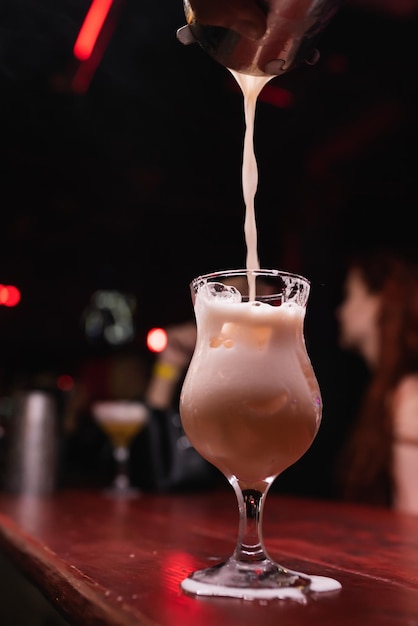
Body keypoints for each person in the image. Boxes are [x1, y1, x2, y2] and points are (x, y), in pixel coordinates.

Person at [335, 247, 418, 514]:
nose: (340, 311)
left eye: (349, 296)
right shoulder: (393, 390)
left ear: (380, 300)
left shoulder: (409, 397)